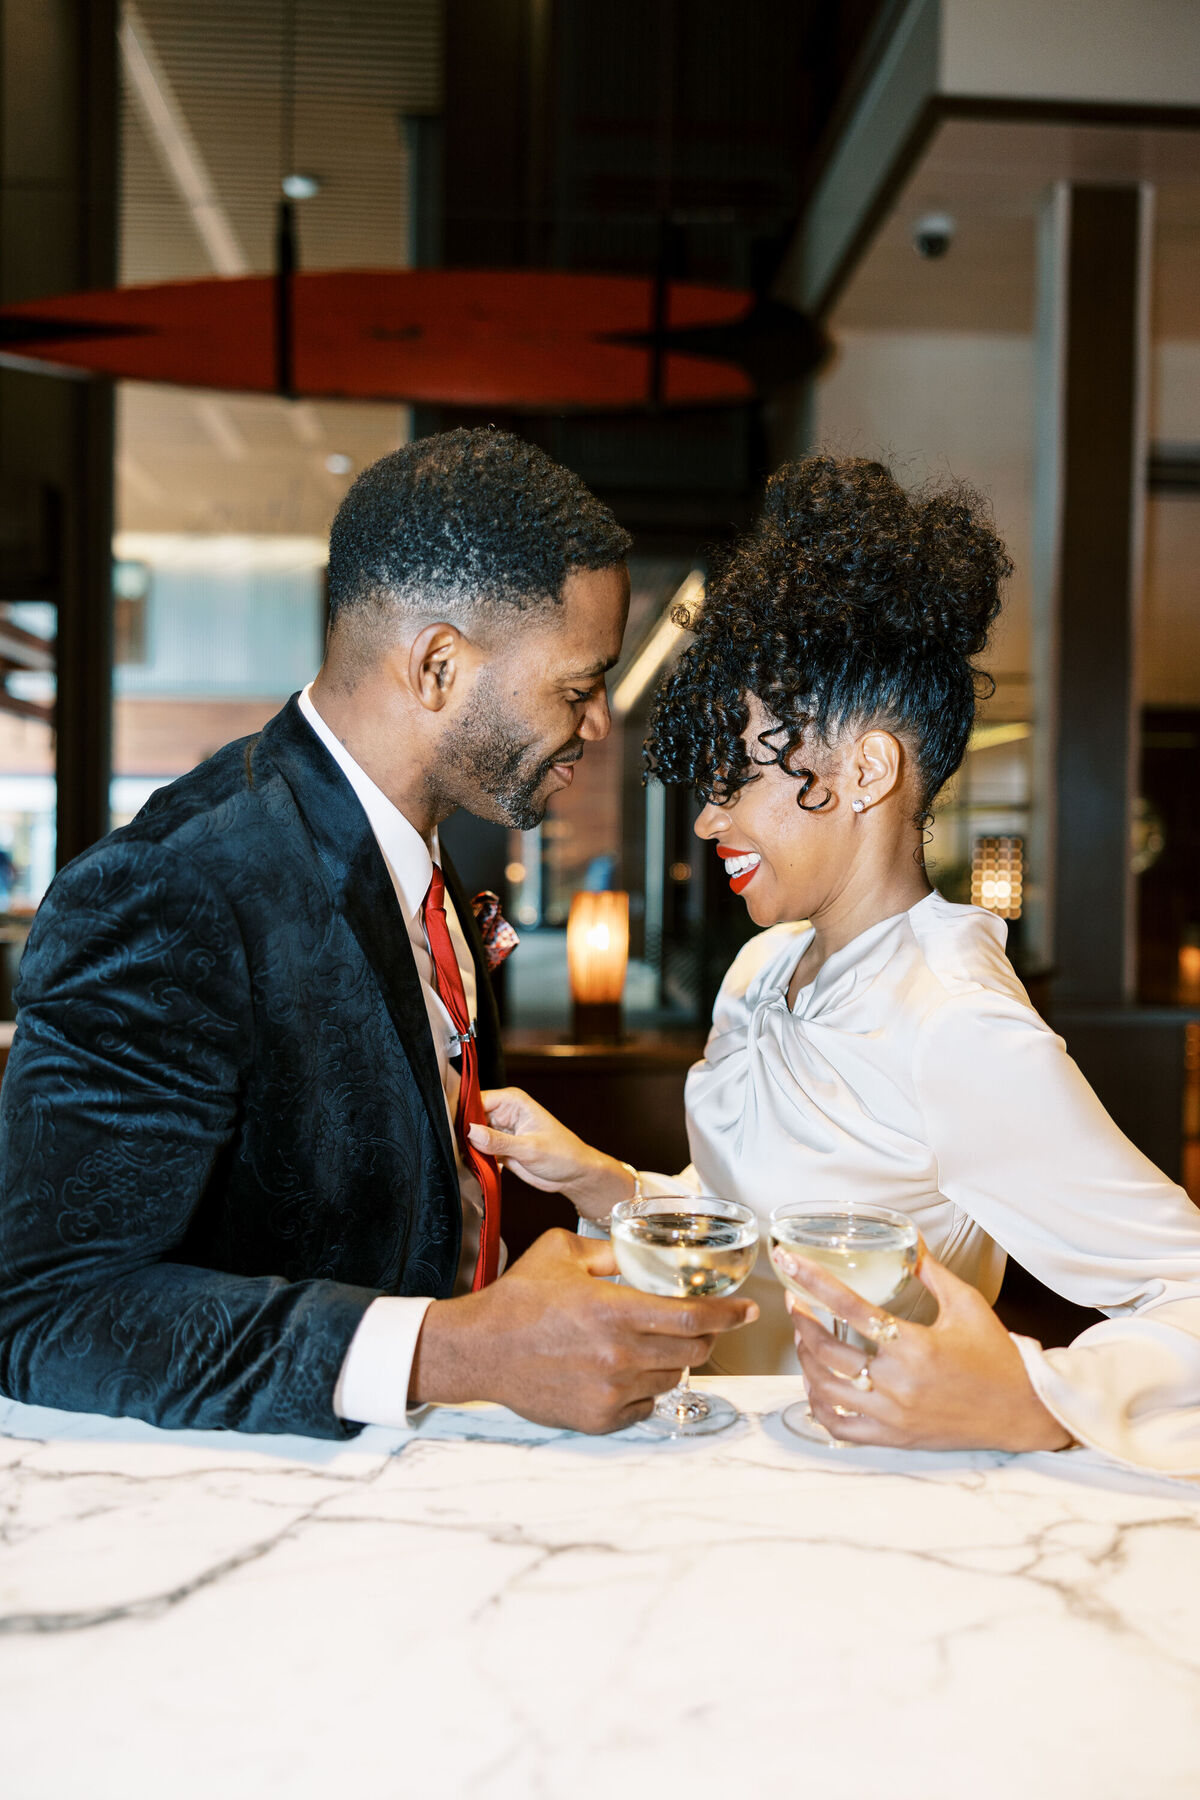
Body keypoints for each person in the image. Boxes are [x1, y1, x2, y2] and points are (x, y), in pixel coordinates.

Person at [0, 428, 756, 1439]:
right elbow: (42, 1312)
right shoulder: (175, 886)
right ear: (438, 666)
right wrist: (459, 1350)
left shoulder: (417, 865)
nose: (597, 723)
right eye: (577, 687)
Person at [473, 455, 1200, 1477]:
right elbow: (751, 1224)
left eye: (742, 778)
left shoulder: (955, 1022)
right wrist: (606, 1184)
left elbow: (1187, 1288)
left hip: (874, 1496)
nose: (710, 817)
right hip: (722, 1464)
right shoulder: (762, 970)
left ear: (867, 770)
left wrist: (1038, 1400)